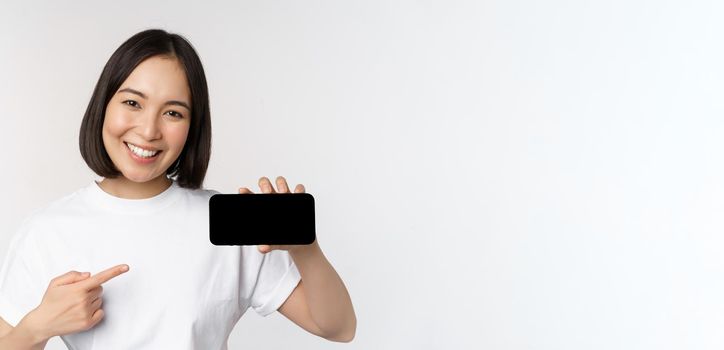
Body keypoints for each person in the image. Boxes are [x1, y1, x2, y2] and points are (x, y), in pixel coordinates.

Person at [0, 28, 356, 349]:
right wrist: (37, 327)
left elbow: (338, 327)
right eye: (132, 103)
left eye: (173, 113)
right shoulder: (48, 231)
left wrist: (304, 248)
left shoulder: (228, 222)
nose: (149, 130)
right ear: (103, 106)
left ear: (192, 128)